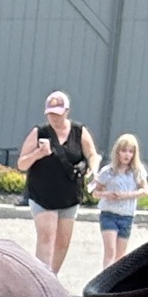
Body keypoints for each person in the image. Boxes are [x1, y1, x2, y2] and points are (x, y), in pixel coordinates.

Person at [17, 90, 98, 273]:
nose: (54, 118)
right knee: (46, 237)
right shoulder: (39, 132)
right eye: (51, 114)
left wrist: (93, 170)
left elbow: (91, 154)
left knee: (62, 241)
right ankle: (42, 277)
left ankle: (53, 276)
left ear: (66, 111)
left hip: (69, 194)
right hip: (42, 194)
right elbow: (21, 164)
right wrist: (38, 154)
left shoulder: (79, 131)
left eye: (58, 114)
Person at [90, 132, 148, 266]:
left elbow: (145, 190)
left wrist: (127, 195)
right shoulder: (108, 171)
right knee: (110, 251)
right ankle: (106, 277)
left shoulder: (137, 171)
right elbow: (95, 192)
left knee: (120, 256)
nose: (127, 155)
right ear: (117, 152)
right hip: (109, 214)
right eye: (124, 151)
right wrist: (107, 194)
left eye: (130, 152)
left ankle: (116, 277)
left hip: (126, 216)